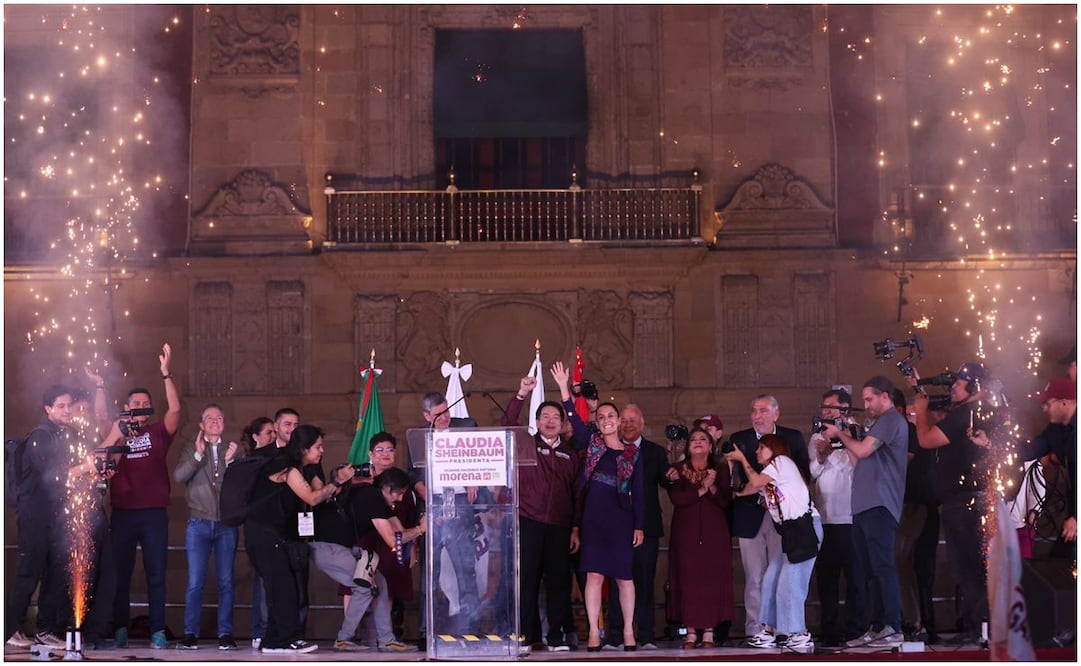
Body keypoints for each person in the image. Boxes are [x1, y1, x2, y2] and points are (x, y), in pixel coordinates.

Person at [555, 361, 644, 652]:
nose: (606, 420)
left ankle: (629, 632)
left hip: (621, 519)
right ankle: (594, 632)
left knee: (624, 578)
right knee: (593, 575)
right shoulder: (591, 444)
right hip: (594, 519)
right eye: (602, 416)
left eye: (611, 416)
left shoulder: (633, 454)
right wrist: (563, 390)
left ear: (619, 422)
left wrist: (639, 524)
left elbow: (639, 492)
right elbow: (575, 421)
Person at [244, 424, 352, 654]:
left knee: (281, 587)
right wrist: (337, 482)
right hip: (265, 535)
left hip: (273, 535)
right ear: (303, 448)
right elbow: (312, 498)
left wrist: (335, 483)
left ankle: (273, 641)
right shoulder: (287, 467)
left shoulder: (295, 467)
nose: (321, 451)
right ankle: (287, 638)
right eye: (318, 447)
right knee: (284, 588)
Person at [101, 343, 181, 649]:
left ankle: (158, 629)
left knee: (157, 573)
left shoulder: (159, 432)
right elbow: (103, 440)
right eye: (136, 402)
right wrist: (99, 387)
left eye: (146, 403)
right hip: (122, 512)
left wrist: (166, 373)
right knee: (120, 572)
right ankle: (120, 626)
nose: (141, 406)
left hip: (154, 514)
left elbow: (175, 409)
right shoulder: (117, 430)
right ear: (127, 406)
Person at [907, 361, 991, 646]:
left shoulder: (965, 414)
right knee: (971, 564)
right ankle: (979, 624)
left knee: (968, 565)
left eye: (959, 382)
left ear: (975, 386)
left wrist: (920, 408)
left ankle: (979, 625)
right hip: (972, 500)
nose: (953, 386)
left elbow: (926, 439)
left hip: (963, 502)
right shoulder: (977, 413)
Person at [822, 377, 909, 649]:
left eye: (870, 399)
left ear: (885, 396)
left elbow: (862, 448)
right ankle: (877, 626)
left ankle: (893, 626)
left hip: (880, 504)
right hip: (862, 506)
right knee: (869, 570)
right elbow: (857, 457)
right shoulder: (877, 424)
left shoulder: (891, 419)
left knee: (881, 566)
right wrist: (849, 435)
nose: (866, 405)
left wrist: (842, 435)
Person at [502, 375, 580, 653]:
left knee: (559, 582)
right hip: (529, 522)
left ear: (562, 423)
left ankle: (557, 637)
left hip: (560, 527)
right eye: (544, 416)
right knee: (528, 581)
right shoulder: (524, 443)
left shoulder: (571, 455)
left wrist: (575, 528)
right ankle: (527, 636)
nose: (550, 420)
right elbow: (506, 424)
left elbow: (576, 496)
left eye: (555, 417)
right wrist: (521, 393)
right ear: (536, 422)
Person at [725, 434, 822, 653]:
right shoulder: (768, 477)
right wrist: (733, 465)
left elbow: (757, 481)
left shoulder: (781, 463)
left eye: (762, 447)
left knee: (791, 582)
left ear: (774, 448)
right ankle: (768, 630)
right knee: (771, 578)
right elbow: (741, 491)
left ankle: (799, 633)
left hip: (805, 528)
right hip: (790, 532)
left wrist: (742, 459)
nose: (757, 451)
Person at [727, 395, 808, 642]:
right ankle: (756, 628)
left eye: (762, 410)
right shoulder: (739, 439)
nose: (757, 415)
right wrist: (741, 490)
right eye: (754, 410)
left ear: (776, 413)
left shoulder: (791, 438)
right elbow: (736, 481)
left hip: (783, 519)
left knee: (783, 574)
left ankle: (783, 627)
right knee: (755, 576)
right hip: (749, 516)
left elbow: (804, 473)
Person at [5, 384, 78, 650]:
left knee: (56, 573)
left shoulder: (65, 435)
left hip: (56, 518)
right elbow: (53, 475)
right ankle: (9, 629)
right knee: (28, 573)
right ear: (48, 409)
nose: (67, 410)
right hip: (35, 518)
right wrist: (84, 468)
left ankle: (46, 629)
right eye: (61, 405)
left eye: (69, 405)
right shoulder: (40, 436)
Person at [603, 403, 671, 650]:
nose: (629, 424)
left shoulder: (655, 452)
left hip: (647, 528)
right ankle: (615, 636)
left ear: (642, 423)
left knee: (644, 580)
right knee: (616, 581)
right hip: (616, 526)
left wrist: (675, 469)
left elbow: (668, 483)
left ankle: (647, 635)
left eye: (634, 420)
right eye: (625, 420)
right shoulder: (609, 449)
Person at [173, 404, 241, 650]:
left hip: (225, 524)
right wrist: (198, 455)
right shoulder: (191, 448)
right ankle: (190, 633)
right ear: (201, 425)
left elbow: (239, 486)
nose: (215, 421)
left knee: (226, 581)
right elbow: (179, 477)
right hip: (198, 523)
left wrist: (231, 463)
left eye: (219, 418)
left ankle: (225, 634)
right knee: (195, 583)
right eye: (209, 418)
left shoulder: (233, 449)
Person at [348, 432, 420, 648]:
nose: (386, 454)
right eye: (380, 450)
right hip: (366, 540)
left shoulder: (403, 482)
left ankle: (384, 636)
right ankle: (349, 635)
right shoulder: (362, 483)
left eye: (390, 449)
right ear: (370, 454)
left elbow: (407, 518)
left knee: (388, 585)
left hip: (396, 543)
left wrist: (412, 545)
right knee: (355, 585)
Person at [667, 427, 733, 649]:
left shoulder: (721, 469)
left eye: (702, 439)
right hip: (686, 533)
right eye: (693, 439)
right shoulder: (677, 469)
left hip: (714, 533)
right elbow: (677, 498)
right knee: (688, 579)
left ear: (711, 445)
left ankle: (709, 632)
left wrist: (711, 486)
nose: (697, 442)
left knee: (711, 580)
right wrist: (701, 490)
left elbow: (725, 501)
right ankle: (691, 632)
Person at [807, 389, 860, 647]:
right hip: (825, 518)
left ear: (845, 408)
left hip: (850, 517)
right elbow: (813, 471)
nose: (826, 410)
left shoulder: (856, 432)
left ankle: (855, 629)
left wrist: (842, 440)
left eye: (831, 406)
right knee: (826, 579)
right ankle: (829, 631)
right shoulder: (818, 435)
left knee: (855, 577)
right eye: (824, 405)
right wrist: (822, 454)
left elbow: (858, 465)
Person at [892, 388, 939, 644]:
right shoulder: (907, 434)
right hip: (911, 505)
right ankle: (916, 621)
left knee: (906, 562)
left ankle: (916, 621)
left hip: (918, 506)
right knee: (906, 563)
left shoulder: (914, 434)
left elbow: (902, 466)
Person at [239, 416, 274, 649]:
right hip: (257, 526)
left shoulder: (279, 458)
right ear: (256, 436)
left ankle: (274, 630)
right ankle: (259, 631)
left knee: (273, 581)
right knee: (262, 579)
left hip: (277, 527)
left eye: (274, 431)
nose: (273, 436)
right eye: (268, 432)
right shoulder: (249, 462)